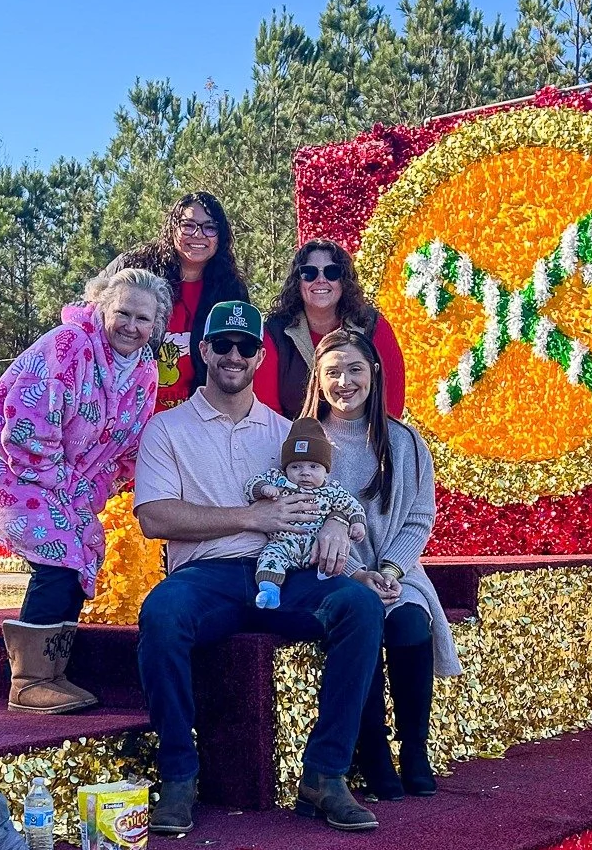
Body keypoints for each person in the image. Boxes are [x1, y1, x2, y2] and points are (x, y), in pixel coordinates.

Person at [132, 297, 387, 836]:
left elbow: (321, 494)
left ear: (259, 357)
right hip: (207, 577)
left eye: (245, 346)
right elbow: (155, 518)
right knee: (160, 613)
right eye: (222, 344)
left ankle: (325, 775)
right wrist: (253, 517)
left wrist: (337, 526)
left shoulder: (284, 431)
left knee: (360, 606)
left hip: (286, 574)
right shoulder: (167, 429)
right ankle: (178, 776)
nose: (233, 355)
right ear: (203, 350)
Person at [0, 265, 172, 714]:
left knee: (85, 550)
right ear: (101, 307)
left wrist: (87, 492)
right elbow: (27, 424)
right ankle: (29, 681)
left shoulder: (146, 371)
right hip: (10, 460)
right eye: (123, 313)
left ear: (157, 325)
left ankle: (53, 672)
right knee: (59, 553)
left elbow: (127, 443)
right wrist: (63, 489)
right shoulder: (68, 345)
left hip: (72, 479)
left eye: (143, 319)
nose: (132, 326)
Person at [303, 327, 459, 798]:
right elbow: (301, 518)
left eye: (353, 369)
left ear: (373, 372)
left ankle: (415, 747)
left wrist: (390, 570)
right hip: (335, 572)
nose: (344, 381)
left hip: (398, 568)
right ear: (318, 378)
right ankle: (372, 752)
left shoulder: (405, 442)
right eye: (332, 372)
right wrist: (356, 574)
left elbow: (419, 516)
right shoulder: (306, 440)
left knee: (412, 623)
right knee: (362, 622)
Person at [120, 192, 251, 410]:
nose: (198, 235)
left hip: (194, 420)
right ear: (173, 228)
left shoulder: (231, 290)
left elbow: (241, 356)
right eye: (188, 225)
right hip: (127, 414)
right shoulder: (135, 269)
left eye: (210, 227)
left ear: (221, 236)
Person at [257, 238, 407, 419]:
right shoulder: (275, 331)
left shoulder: (371, 325)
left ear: (344, 280)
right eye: (309, 273)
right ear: (298, 281)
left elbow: (391, 404)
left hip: (364, 440)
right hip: (293, 441)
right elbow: (267, 411)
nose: (321, 280)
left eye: (332, 272)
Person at [244, 418, 366, 609]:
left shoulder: (332, 490)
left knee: (330, 557)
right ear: (286, 468)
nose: (304, 473)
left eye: (313, 466)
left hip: (314, 548)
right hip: (283, 544)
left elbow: (352, 505)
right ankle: (270, 591)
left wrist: (357, 523)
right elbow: (251, 484)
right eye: (296, 467)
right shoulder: (280, 481)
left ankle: (325, 581)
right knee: (270, 557)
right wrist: (264, 488)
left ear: (326, 471)